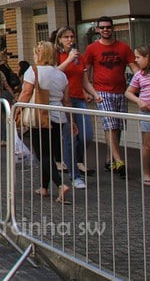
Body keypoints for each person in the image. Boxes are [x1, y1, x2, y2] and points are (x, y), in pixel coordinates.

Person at [17, 41, 71, 203]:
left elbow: (26, 92)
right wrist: (72, 121)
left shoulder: (32, 71)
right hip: (59, 116)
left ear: (40, 55)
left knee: (42, 154)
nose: (34, 56)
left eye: (35, 53)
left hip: (40, 117)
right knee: (50, 153)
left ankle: (60, 184)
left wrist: (17, 108)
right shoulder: (61, 75)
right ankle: (44, 187)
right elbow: (67, 100)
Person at [82, 16, 138, 176]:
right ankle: (119, 161)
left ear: (112, 28)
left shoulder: (124, 48)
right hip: (102, 92)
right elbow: (86, 72)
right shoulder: (92, 48)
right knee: (110, 126)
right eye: (102, 27)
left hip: (121, 91)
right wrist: (88, 91)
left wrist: (142, 83)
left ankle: (109, 160)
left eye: (108, 27)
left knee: (117, 127)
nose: (105, 30)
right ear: (98, 30)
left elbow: (134, 68)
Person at [54, 26, 92, 188]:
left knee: (86, 135)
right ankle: (74, 175)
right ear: (60, 40)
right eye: (66, 37)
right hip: (64, 100)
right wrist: (68, 59)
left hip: (79, 98)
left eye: (72, 37)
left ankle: (75, 159)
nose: (70, 40)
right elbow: (54, 73)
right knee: (70, 137)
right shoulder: (57, 55)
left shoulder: (79, 57)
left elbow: (84, 79)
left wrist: (94, 93)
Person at [125, 45, 150, 188]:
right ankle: (146, 173)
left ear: (148, 57)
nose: (135, 60)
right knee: (149, 144)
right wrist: (139, 101)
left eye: (138, 57)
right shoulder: (139, 75)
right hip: (148, 112)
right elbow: (128, 92)